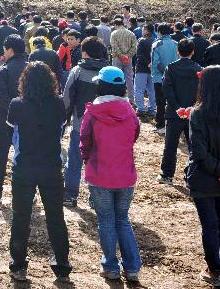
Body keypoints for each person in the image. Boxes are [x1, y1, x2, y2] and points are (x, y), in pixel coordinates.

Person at [6, 61, 72, 283]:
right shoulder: (59, 104)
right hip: (51, 166)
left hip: (24, 166)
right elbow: (61, 129)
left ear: (24, 81)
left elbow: (12, 131)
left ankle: (18, 265)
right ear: (51, 81)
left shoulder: (16, 104)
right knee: (56, 218)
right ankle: (62, 266)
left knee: (21, 217)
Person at [80, 66, 142, 283]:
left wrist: (87, 157)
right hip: (125, 174)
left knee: (106, 221)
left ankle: (111, 267)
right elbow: (134, 135)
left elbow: (84, 140)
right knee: (122, 219)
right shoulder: (130, 112)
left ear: (100, 86)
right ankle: (132, 268)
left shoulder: (93, 112)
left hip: (99, 174)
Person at [186, 65, 220, 286]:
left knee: (210, 225)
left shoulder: (198, 113)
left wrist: (219, 172)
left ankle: (215, 269)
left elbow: (199, 152)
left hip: (206, 176)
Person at [62, 36, 109, 207]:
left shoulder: (77, 71)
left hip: (80, 123)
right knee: (98, 160)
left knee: (74, 159)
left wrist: (65, 117)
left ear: (85, 52)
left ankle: (70, 195)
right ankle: (95, 197)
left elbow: (67, 98)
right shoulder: (109, 71)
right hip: (104, 124)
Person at [0, 34, 28, 205]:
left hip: (5, 119)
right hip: (27, 118)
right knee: (25, 155)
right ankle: (26, 193)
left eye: (4, 49)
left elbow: (2, 100)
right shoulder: (30, 68)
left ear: (10, 50)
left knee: (1, 156)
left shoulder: (4, 70)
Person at [158, 39, 201, 185]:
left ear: (178, 52)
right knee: (194, 146)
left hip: (174, 112)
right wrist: (192, 107)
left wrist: (177, 107)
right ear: (193, 52)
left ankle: (167, 175)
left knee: (170, 145)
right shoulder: (198, 69)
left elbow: (167, 89)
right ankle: (192, 176)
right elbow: (201, 92)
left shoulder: (171, 68)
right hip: (193, 113)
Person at [152, 24, 180, 134]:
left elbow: (156, 63)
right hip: (174, 78)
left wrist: (165, 72)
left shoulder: (157, 44)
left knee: (160, 102)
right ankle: (173, 125)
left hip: (160, 78)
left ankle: (161, 126)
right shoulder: (176, 44)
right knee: (173, 101)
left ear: (159, 32)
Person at [133, 24, 156, 118]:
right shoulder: (156, 41)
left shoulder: (141, 40)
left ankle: (141, 108)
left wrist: (147, 63)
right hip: (153, 69)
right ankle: (152, 109)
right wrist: (151, 64)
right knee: (152, 90)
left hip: (141, 68)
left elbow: (139, 55)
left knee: (139, 89)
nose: (142, 31)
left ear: (146, 31)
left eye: (143, 29)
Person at [110, 18, 137, 98]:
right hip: (128, 59)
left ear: (115, 25)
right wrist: (127, 56)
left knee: (116, 78)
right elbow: (134, 47)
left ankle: (117, 97)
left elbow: (114, 47)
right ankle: (131, 98)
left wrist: (121, 55)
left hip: (117, 58)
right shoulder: (131, 33)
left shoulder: (114, 33)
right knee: (129, 79)